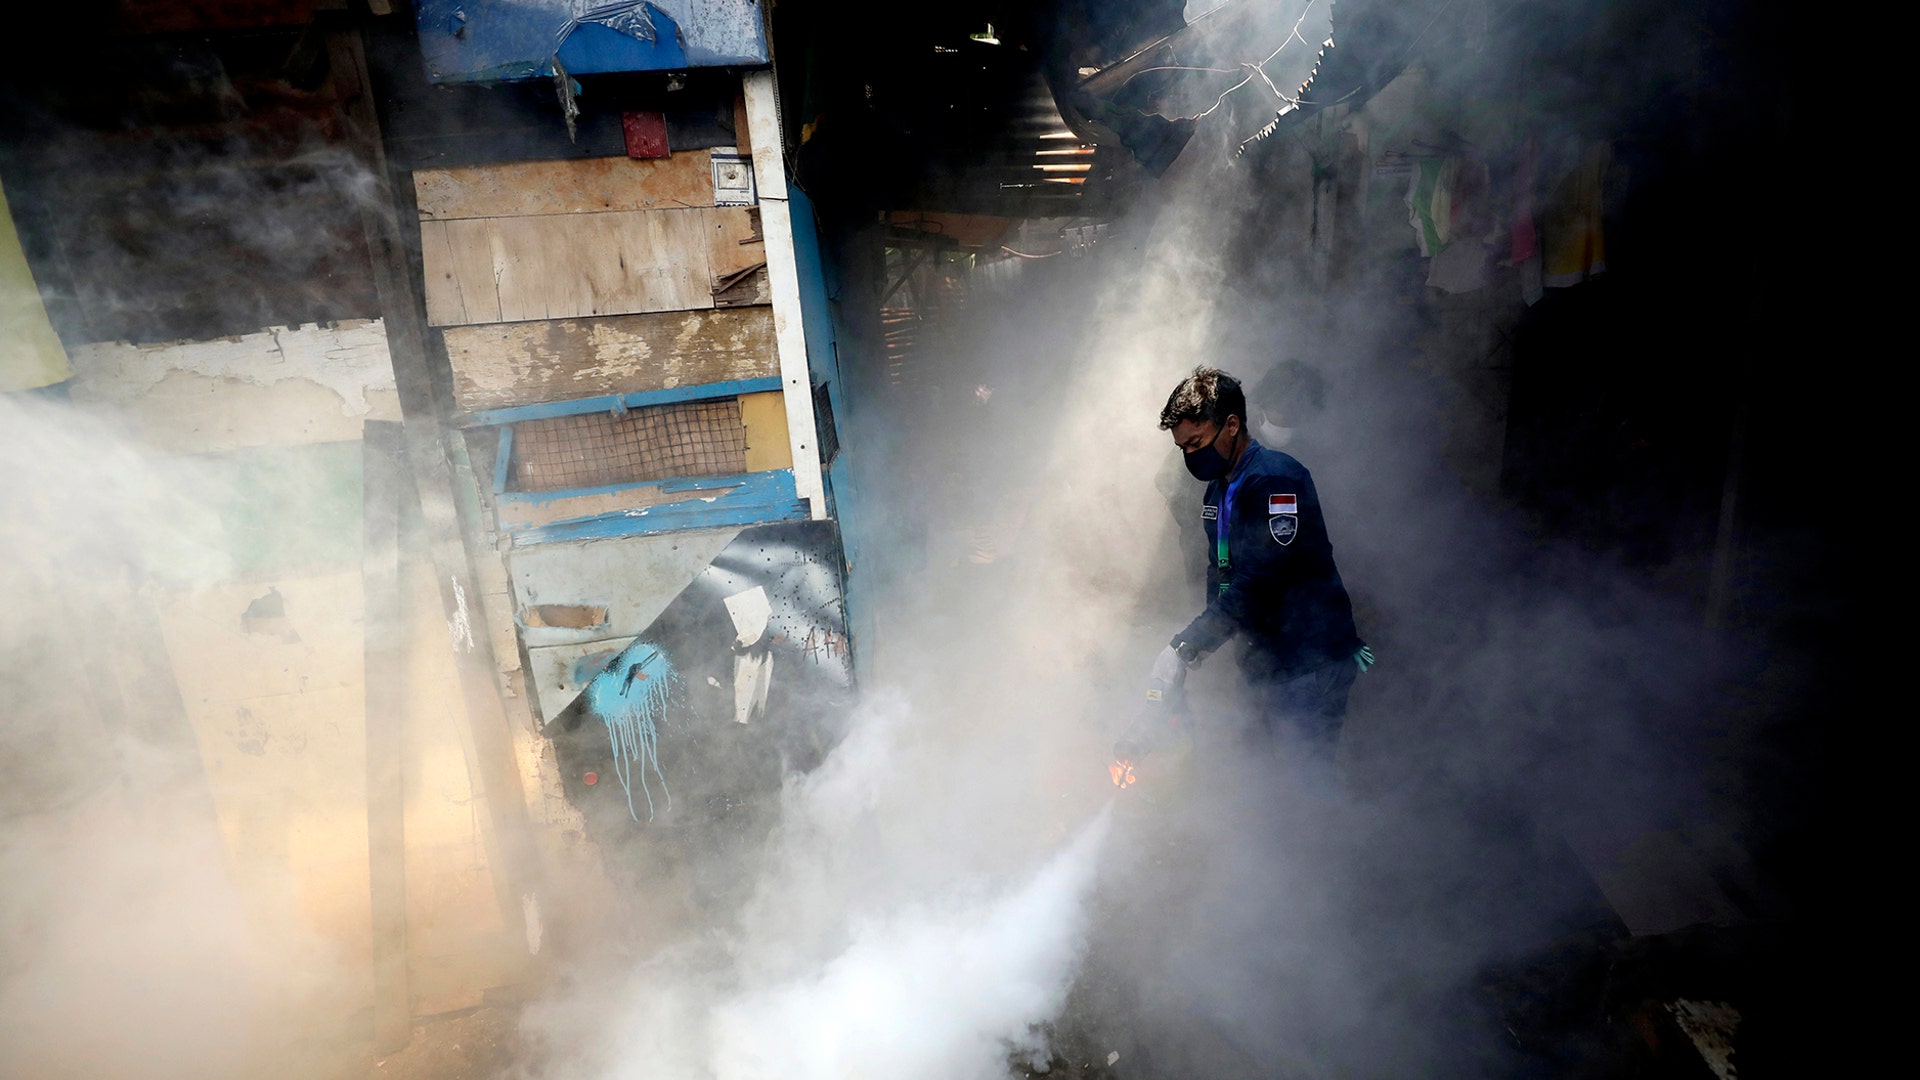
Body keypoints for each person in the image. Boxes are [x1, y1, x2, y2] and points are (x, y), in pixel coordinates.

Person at [1148, 366, 1371, 767]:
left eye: (1196, 442)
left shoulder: (1274, 480)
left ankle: (1323, 828)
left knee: (1303, 783)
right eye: (1183, 447)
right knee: (1264, 778)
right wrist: (1203, 648)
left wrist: (1187, 646)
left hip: (1307, 660)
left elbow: (1262, 579)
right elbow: (1221, 573)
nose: (1190, 456)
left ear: (1231, 425)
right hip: (1265, 660)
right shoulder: (1219, 488)